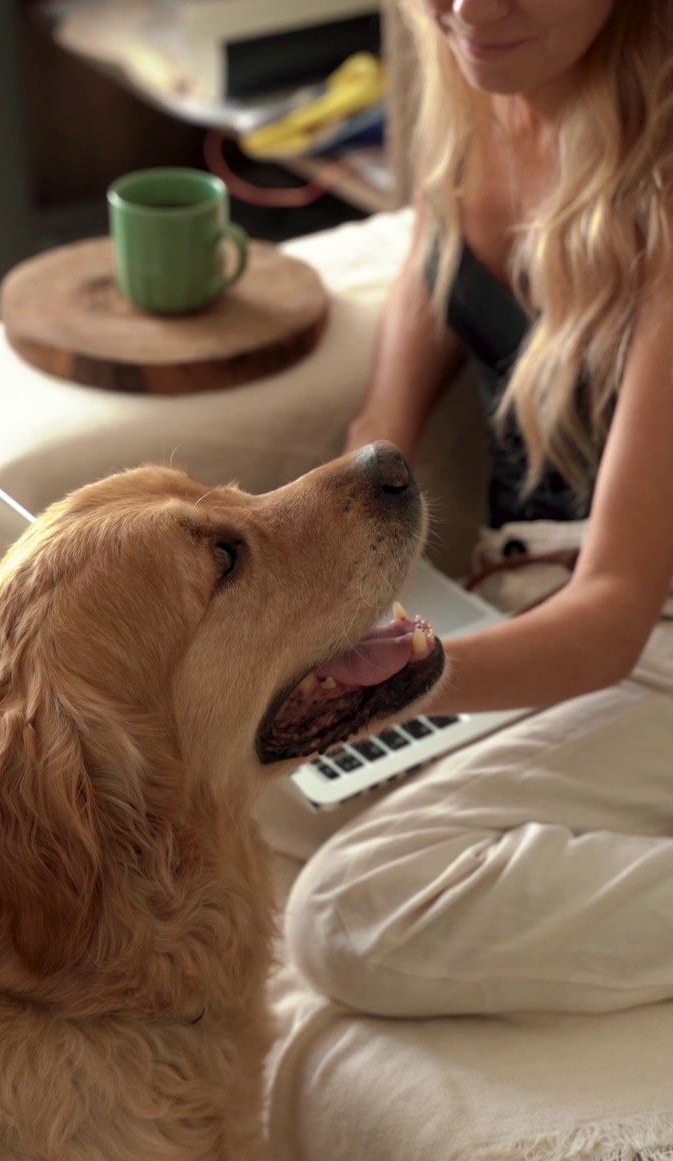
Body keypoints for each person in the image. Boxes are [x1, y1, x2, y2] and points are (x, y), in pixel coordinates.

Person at [283, 0, 673, 1018]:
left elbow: (618, 606)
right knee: (215, 799)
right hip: (526, 601)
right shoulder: (472, 102)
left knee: (347, 910)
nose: (468, 8)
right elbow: (381, 446)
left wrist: (382, 688)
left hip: (640, 627)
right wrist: (278, 608)